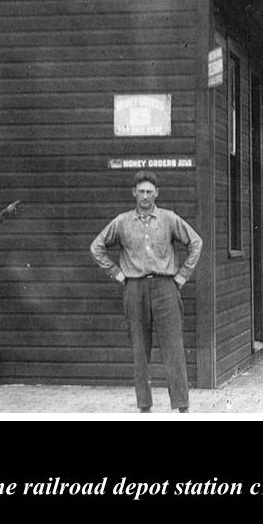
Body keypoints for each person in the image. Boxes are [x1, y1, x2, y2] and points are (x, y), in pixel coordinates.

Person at [89, 170, 203, 413]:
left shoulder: (169, 219)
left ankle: (182, 406)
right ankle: (144, 406)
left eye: (149, 192)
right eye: (140, 191)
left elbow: (196, 242)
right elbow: (97, 247)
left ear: (156, 193)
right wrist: (117, 273)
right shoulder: (121, 222)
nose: (145, 196)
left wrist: (182, 276)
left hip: (165, 287)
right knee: (139, 349)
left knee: (173, 347)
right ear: (134, 193)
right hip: (135, 289)